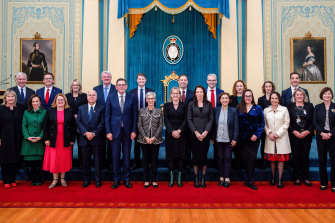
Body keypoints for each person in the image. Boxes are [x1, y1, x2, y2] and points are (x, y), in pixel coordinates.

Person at [105, 78, 137, 189]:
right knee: (115, 156)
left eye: (123, 85)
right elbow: (107, 116)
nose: (122, 86)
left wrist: (134, 130)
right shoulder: (110, 97)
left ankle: (127, 179)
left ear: (127, 86)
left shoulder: (132, 97)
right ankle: (116, 179)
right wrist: (108, 131)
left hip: (128, 131)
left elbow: (134, 115)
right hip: (114, 132)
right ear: (116, 87)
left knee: (127, 156)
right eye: (120, 85)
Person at [43, 93, 75, 188]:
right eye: (58, 100)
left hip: (65, 138)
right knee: (54, 159)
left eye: (62, 100)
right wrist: (46, 139)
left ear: (65, 101)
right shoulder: (50, 111)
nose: (60, 101)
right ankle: (55, 180)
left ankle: (62, 179)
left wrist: (72, 139)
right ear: (55, 101)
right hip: (53, 139)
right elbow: (45, 126)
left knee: (63, 159)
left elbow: (73, 126)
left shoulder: (69, 111)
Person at [237, 89, 265, 190]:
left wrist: (257, 134)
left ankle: (250, 180)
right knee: (245, 158)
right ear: (243, 97)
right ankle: (246, 179)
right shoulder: (239, 108)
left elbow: (262, 123)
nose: (248, 98)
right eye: (246, 96)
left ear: (252, 97)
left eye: (250, 96)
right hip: (242, 138)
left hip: (253, 138)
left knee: (252, 158)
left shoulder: (258, 108)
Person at [77, 90, 105, 188]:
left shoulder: (102, 108)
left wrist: (93, 133)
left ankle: (98, 180)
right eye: (90, 95)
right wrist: (85, 133)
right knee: (86, 161)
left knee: (97, 161)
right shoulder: (81, 108)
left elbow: (102, 123)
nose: (92, 96)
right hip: (84, 139)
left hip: (97, 139)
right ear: (87, 97)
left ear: (96, 97)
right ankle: (86, 180)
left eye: (94, 95)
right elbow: (78, 122)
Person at [188, 86, 214, 188]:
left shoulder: (209, 104)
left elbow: (211, 119)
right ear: (195, 93)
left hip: (205, 135)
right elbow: (189, 119)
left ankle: (203, 178)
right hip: (194, 135)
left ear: (204, 93)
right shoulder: (191, 104)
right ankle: (196, 178)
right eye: (197, 92)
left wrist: (206, 131)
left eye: (201, 92)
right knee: (195, 157)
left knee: (203, 157)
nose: (199, 93)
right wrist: (196, 132)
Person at [264, 92, 291, 188]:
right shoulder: (266, 110)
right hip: (270, 138)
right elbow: (264, 124)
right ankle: (273, 178)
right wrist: (269, 133)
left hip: (281, 137)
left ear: (279, 99)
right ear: (270, 99)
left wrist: (277, 134)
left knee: (280, 159)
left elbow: (286, 123)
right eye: (272, 98)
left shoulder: (284, 109)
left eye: (276, 98)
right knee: (272, 159)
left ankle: (280, 179)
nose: (274, 100)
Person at [288, 88, 314, 186]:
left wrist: (307, 131)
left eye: (301, 95)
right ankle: (297, 177)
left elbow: (313, 121)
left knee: (305, 156)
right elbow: (288, 121)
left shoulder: (310, 106)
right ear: (294, 96)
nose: (299, 96)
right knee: (296, 156)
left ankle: (306, 178)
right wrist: (294, 131)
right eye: (297, 95)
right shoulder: (290, 106)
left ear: (304, 96)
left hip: (306, 135)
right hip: (294, 135)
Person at [137, 92, 163, 188]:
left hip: (156, 140)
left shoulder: (159, 111)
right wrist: (146, 137)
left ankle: (154, 179)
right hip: (144, 140)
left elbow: (161, 125)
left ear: (155, 100)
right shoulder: (141, 111)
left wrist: (154, 137)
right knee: (145, 160)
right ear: (146, 100)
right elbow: (139, 125)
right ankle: (147, 179)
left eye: (152, 98)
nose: (151, 100)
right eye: (149, 98)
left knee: (154, 160)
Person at [213, 92, 239, 188]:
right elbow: (213, 125)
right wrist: (212, 137)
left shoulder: (233, 110)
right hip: (218, 139)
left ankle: (227, 177)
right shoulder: (216, 110)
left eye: (226, 98)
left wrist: (235, 139)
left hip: (229, 139)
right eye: (223, 98)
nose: (224, 100)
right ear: (220, 100)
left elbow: (236, 126)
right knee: (219, 158)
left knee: (227, 158)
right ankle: (221, 177)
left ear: (229, 100)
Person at [129, 73, 154, 171]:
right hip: (136, 120)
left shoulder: (150, 91)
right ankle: (136, 162)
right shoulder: (131, 92)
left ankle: (148, 162)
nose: (141, 81)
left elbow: (153, 106)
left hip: (148, 120)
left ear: (145, 80)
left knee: (148, 142)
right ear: (137, 80)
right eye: (139, 79)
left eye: (143, 79)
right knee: (137, 143)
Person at [21, 94, 46, 186]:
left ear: (40, 102)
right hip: (28, 142)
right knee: (31, 163)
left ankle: (39, 179)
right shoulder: (26, 113)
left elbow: (46, 126)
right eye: (33, 101)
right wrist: (27, 137)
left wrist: (41, 136)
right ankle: (33, 179)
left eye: (37, 101)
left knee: (39, 163)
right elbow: (24, 126)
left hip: (40, 141)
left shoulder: (44, 112)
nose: (35, 103)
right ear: (30, 103)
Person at [164, 87, 187, 187]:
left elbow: (186, 119)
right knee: (171, 155)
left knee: (181, 155)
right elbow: (166, 119)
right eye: (173, 93)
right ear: (171, 94)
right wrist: (172, 131)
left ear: (180, 95)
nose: (175, 95)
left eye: (177, 93)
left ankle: (179, 178)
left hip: (181, 133)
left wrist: (179, 131)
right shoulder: (167, 105)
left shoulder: (184, 105)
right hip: (170, 133)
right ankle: (171, 178)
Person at [0, 90, 24, 188]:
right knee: (5, 159)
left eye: (12, 96)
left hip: (18, 137)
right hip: (5, 138)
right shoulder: (1, 109)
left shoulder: (20, 108)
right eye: (8, 96)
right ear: (5, 98)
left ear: (15, 97)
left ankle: (13, 179)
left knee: (16, 159)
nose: (10, 98)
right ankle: (6, 180)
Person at [313, 87, 335, 192]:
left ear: (332, 95)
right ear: (322, 95)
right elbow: (315, 122)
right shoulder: (317, 107)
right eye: (325, 94)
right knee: (322, 160)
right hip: (321, 137)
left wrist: (330, 133)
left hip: (333, 137)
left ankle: (334, 184)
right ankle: (323, 183)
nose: (327, 95)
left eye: (329, 94)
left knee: (333, 161)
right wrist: (321, 133)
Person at [93, 71, 116, 170]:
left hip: (112, 119)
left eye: (108, 77)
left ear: (111, 78)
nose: (106, 78)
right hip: (99, 119)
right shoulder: (96, 89)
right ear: (101, 78)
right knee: (101, 142)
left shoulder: (116, 88)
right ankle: (101, 162)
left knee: (111, 143)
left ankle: (110, 163)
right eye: (104, 77)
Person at [65, 79, 88, 168]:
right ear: (71, 86)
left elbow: (86, 108)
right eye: (74, 85)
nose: (75, 86)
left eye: (77, 85)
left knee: (81, 143)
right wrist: (72, 115)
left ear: (79, 86)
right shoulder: (67, 96)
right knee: (69, 143)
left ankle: (81, 163)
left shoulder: (84, 96)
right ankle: (68, 163)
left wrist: (78, 115)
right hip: (69, 123)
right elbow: (65, 107)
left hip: (81, 123)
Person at [258, 81, 276, 169]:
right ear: (264, 88)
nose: (268, 88)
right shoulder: (260, 99)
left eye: (270, 86)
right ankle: (263, 163)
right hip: (264, 125)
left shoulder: (276, 98)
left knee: (274, 144)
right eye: (266, 86)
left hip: (274, 125)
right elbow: (259, 112)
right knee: (264, 144)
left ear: (272, 87)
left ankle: (273, 162)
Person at [178, 74, 193, 170]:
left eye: (185, 80)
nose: (183, 81)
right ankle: (178, 163)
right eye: (181, 80)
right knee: (178, 145)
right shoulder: (175, 93)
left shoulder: (192, 94)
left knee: (188, 145)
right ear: (178, 81)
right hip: (178, 123)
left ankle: (187, 163)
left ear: (187, 81)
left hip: (188, 124)